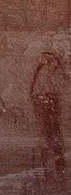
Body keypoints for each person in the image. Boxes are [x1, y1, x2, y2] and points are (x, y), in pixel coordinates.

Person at [30, 52, 67, 182]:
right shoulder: (41, 71)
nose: (43, 60)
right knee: (48, 133)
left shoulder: (52, 70)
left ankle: (57, 161)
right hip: (43, 101)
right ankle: (53, 163)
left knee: (52, 132)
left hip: (48, 100)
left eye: (46, 58)